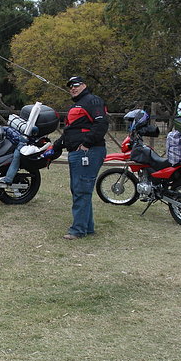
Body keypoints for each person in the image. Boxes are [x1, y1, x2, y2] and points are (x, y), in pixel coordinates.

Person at [52, 76, 109, 240]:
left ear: (84, 85)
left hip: (88, 153)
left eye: (76, 85)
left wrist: (86, 144)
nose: (72, 88)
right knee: (81, 190)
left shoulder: (93, 101)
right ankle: (87, 227)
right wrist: (55, 147)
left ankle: (78, 230)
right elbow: (71, 131)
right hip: (78, 153)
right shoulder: (77, 105)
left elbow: (101, 124)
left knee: (81, 190)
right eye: (70, 86)